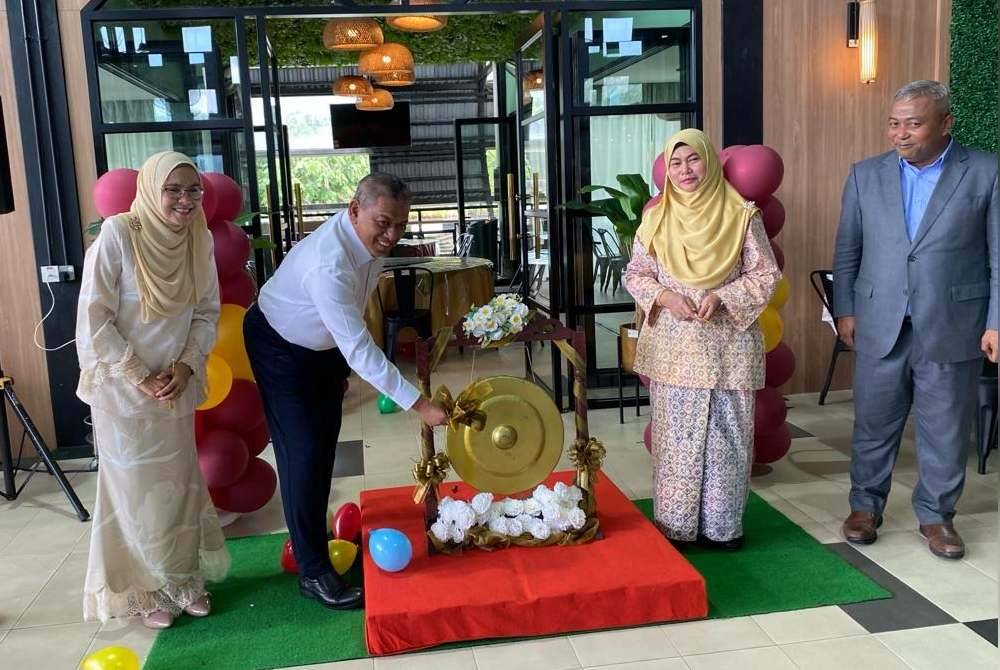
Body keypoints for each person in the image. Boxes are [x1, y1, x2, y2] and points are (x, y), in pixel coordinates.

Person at [243, 173, 448, 610]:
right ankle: (313, 571)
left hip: (319, 345)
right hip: (278, 345)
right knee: (302, 454)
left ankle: (311, 542)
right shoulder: (329, 261)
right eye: (383, 222)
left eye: (400, 226)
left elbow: (350, 322)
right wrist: (420, 403)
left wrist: (334, 366)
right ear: (355, 209)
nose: (391, 235)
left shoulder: (366, 242)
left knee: (323, 448)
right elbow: (358, 347)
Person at [832, 80, 998, 559]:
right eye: (893, 122)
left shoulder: (986, 172)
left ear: (946, 123)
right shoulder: (866, 175)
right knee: (872, 423)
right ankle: (865, 507)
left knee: (945, 427)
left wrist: (996, 321)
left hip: (953, 322)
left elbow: (997, 253)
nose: (900, 133)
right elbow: (848, 251)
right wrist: (844, 308)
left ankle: (937, 516)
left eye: (913, 123)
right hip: (880, 321)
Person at [76, 151, 229, 629]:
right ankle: (145, 593)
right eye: (173, 190)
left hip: (174, 388)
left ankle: (183, 581)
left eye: (193, 191)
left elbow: (206, 312)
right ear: (150, 189)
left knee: (178, 488)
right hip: (124, 392)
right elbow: (95, 317)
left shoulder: (197, 238)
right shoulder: (119, 235)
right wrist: (140, 374)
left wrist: (185, 367)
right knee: (133, 494)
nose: (185, 201)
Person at [624, 128, 780, 550]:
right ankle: (676, 527)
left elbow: (765, 273)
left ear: (709, 162)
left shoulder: (742, 215)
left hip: (728, 345)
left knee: (727, 439)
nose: (685, 170)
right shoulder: (655, 219)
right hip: (675, 349)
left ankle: (723, 528)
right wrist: (664, 295)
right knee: (677, 439)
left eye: (693, 160)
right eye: (675, 163)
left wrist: (724, 296)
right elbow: (635, 273)